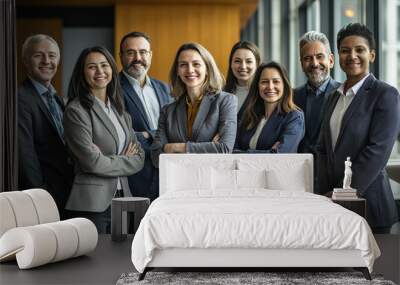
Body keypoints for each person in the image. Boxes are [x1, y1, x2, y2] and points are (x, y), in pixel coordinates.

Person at [317, 23, 399, 231]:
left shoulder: (385, 95)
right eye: (345, 51)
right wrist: (325, 193)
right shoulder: (332, 96)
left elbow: (377, 152)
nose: (352, 56)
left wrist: (342, 193)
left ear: (371, 55)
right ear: (338, 56)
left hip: (369, 205)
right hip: (332, 205)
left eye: (359, 50)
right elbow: (323, 149)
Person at [64, 46, 145, 233]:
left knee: (121, 259)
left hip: (123, 198)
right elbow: (92, 162)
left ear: (112, 69)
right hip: (92, 204)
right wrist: (124, 158)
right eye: (92, 67)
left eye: (104, 65)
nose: (100, 71)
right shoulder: (76, 110)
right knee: (94, 260)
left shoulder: (120, 112)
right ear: (82, 73)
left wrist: (106, 159)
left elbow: (139, 158)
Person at [151, 42, 237, 166]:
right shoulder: (168, 111)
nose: (190, 70)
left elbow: (224, 149)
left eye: (196, 64)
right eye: (183, 65)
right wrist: (208, 147)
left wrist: (175, 147)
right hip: (177, 182)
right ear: (178, 72)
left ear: (207, 69)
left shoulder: (225, 101)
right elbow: (155, 157)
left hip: (213, 181)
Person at [18, 34, 74, 218]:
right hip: (43, 196)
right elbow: (25, 153)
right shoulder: (21, 98)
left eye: (52, 55)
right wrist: (40, 196)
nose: (46, 61)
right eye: (38, 55)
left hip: (66, 192)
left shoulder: (58, 99)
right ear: (26, 60)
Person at [119, 31, 171, 200]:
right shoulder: (112, 90)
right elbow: (123, 136)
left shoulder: (164, 89)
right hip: (135, 172)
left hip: (166, 170)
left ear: (150, 55)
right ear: (121, 56)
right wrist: (156, 135)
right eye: (130, 53)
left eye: (142, 52)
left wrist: (147, 134)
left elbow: (174, 129)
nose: (137, 58)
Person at [235, 62, 304, 153]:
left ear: (284, 85)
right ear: (258, 86)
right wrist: (269, 152)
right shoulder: (249, 116)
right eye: (264, 82)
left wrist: (243, 153)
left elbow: (281, 155)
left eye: (276, 81)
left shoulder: (294, 117)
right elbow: (233, 149)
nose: (270, 87)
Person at [294, 31, 340, 154]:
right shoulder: (291, 97)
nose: (314, 63)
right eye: (307, 58)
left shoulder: (344, 94)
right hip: (298, 168)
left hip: (332, 170)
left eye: (320, 56)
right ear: (302, 64)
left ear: (330, 60)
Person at [224, 41, 261, 114]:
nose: (243, 66)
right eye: (237, 61)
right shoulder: (222, 93)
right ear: (231, 64)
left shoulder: (263, 93)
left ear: (257, 64)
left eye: (249, 61)